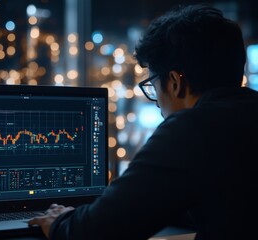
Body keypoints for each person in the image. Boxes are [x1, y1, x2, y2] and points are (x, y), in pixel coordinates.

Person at [29, 4, 258, 239]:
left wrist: (60, 221)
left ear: (175, 82)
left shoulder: (191, 129)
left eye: (153, 86)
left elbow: (94, 231)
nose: (157, 102)